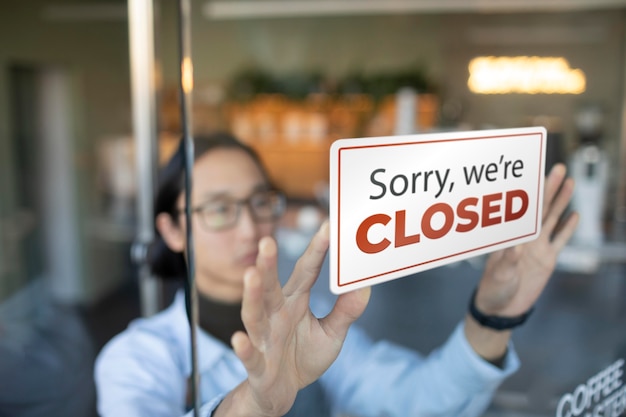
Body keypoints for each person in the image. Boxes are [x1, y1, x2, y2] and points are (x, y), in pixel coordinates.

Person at [95, 131, 579, 417]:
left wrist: (491, 317)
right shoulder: (134, 360)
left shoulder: (312, 325)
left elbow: (417, 403)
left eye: (261, 201)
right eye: (219, 210)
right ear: (172, 230)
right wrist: (251, 404)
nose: (250, 227)